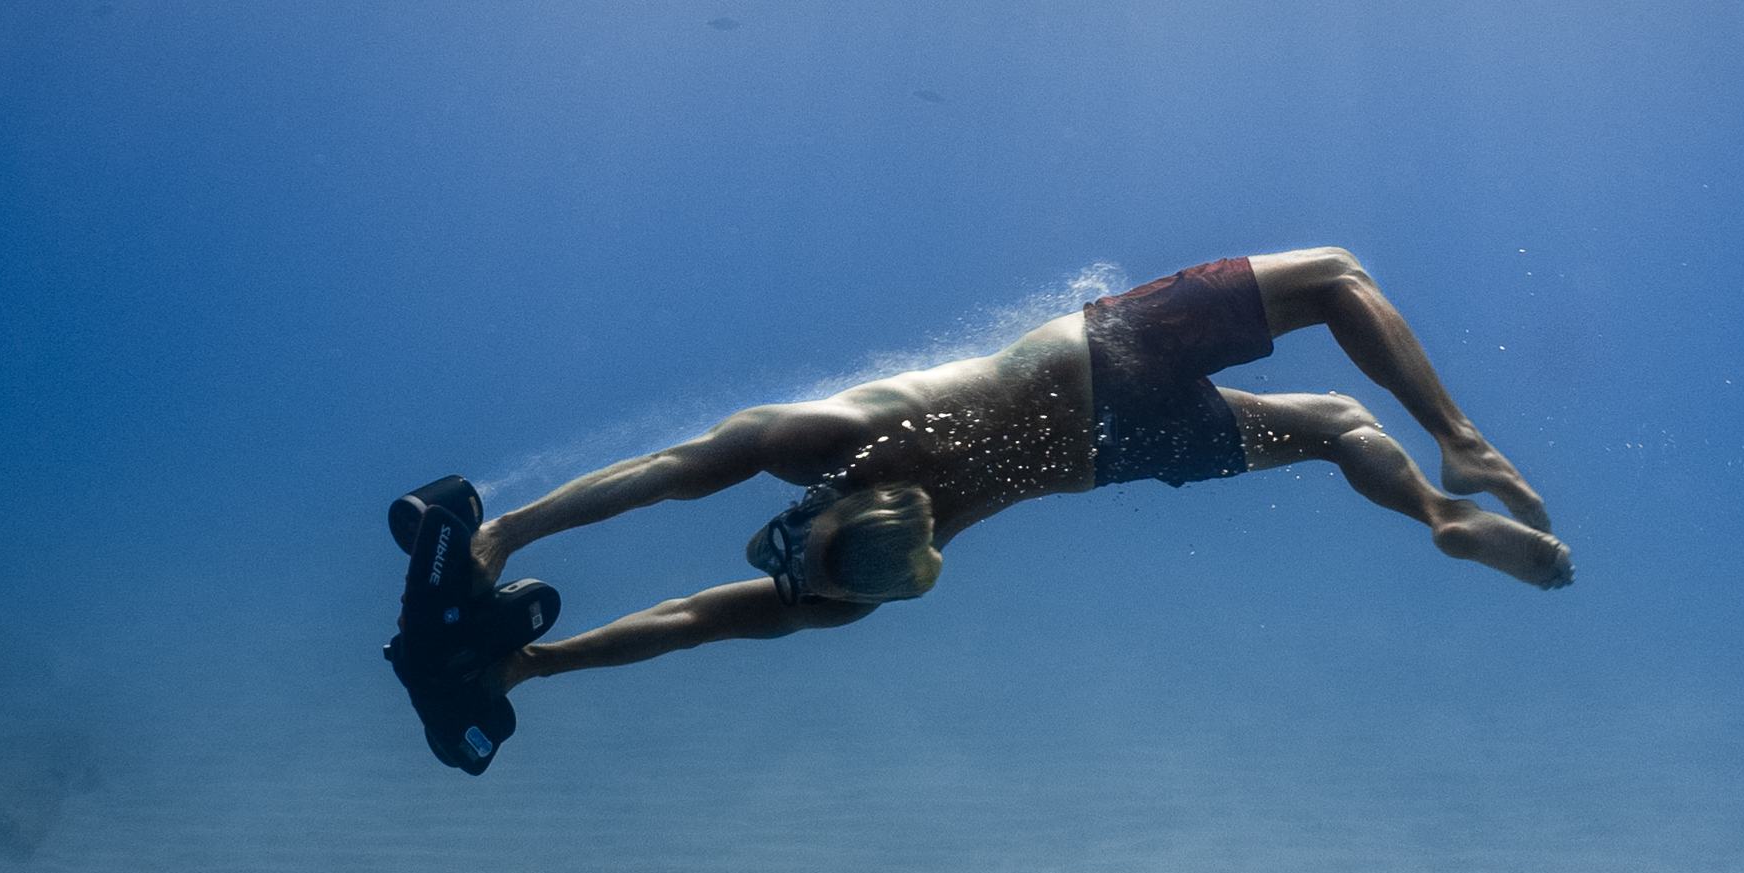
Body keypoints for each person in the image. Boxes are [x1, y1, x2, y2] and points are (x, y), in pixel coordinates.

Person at [462, 248, 1571, 705]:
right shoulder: (828, 446)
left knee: (1327, 426)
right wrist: (511, 539)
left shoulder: (851, 593)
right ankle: (1448, 467)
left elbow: (694, 607)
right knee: (1334, 285)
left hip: (1101, 459)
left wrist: (533, 660)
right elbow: (672, 481)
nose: (776, 542)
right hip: (1095, 368)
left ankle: (1436, 514)